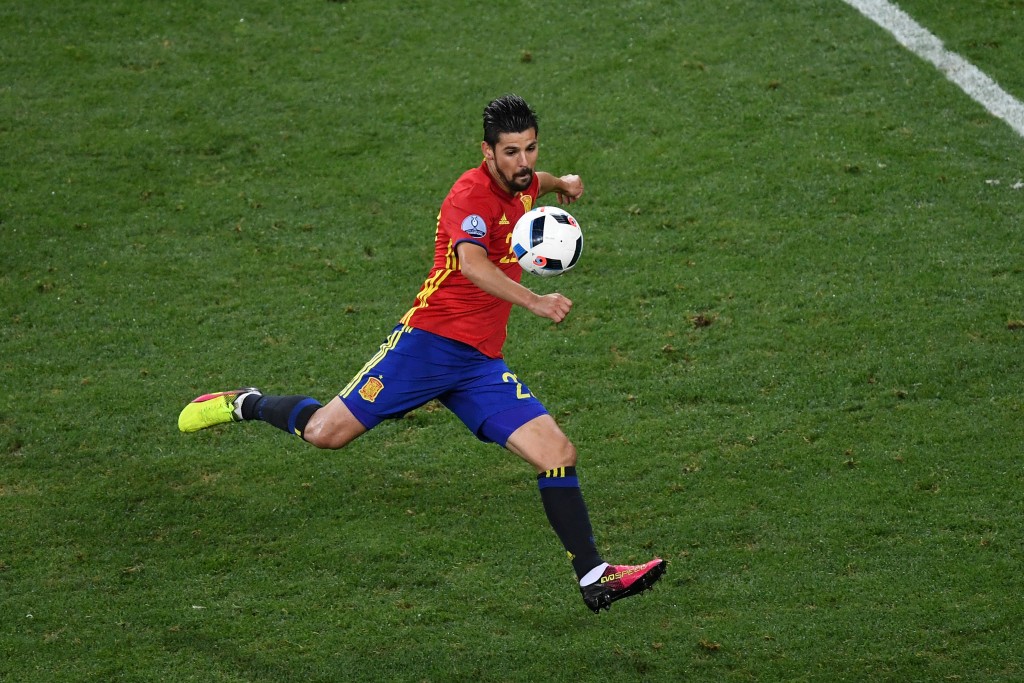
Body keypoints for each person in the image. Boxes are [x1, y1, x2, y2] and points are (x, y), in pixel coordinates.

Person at [178, 94, 665, 612]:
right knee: (325, 433)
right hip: (426, 346)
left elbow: (533, 184)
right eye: (511, 153)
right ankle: (246, 402)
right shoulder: (469, 195)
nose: (523, 163)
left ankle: (594, 577)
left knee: (558, 454)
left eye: (531, 149)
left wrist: (560, 182)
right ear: (487, 152)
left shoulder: (522, 184)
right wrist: (535, 301)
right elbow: (474, 265)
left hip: (478, 363)